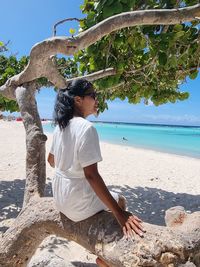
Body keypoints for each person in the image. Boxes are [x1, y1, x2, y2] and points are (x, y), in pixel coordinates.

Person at [48, 78, 145, 267]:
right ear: (78, 100)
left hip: (60, 198)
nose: (96, 99)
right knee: (120, 200)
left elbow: (51, 161)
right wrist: (119, 214)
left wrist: (68, 165)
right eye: (93, 95)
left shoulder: (61, 126)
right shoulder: (86, 128)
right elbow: (91, 176)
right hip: (75, 203)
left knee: (108, 197)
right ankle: (107, 258)